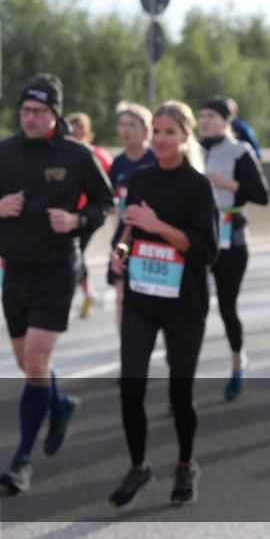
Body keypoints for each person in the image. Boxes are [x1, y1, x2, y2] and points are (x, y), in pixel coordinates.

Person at [0, 73, 113, 493]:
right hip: (15, 268)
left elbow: (105, 203)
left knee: (35, 360)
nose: (30, 118)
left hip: (56, 268)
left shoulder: (76, 155)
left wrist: (78, 220)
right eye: (25, 110)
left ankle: (22, 458)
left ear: (55, 114)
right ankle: (60, 404)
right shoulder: (0, 154)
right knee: (27, 363)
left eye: (39, 111)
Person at [107, 100, 218, 509]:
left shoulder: (197, 185)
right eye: (156, 130)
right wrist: (121, 249)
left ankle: (186, 464)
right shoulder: (141, 178)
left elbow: (205, 249)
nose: (161, 138)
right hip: (141, 297)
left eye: (170, 131)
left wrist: (159, 227)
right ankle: (139, 469)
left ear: (185, 137)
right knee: (130, 389)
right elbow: (129, 226)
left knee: (180, 394)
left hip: (184, 303)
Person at [198, 97, 270, 401]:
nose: (205, 121)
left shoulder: (241, 151)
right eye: (201, 116)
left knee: (227, 307)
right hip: (199, 236)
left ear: (227, 121)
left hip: (232, 237)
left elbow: (263, 195)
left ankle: (238, 363)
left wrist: (229, 184)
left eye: (212, 116)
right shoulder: (193, 151)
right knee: (193, 309)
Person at [106, 102, 157, 332]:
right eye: (122, 125)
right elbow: (108, 197)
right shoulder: (118, 164)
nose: (126, 130)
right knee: (122, 297)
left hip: (154, 238)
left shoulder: (156, 159)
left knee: (155, 299)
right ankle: (127, 351)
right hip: (125, 237)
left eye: (132, 125)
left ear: (146, 130)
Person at [66, 112, 114, 318]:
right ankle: (87, 291)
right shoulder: (61, 153)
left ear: (86, 131)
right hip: (67, 214)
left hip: (89, 214)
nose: (74, 132)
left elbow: (108, 186)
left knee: (76, 252)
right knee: (76, 253)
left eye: (78, 128)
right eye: (71, 128)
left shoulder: (96, 154)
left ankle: (71, 294)